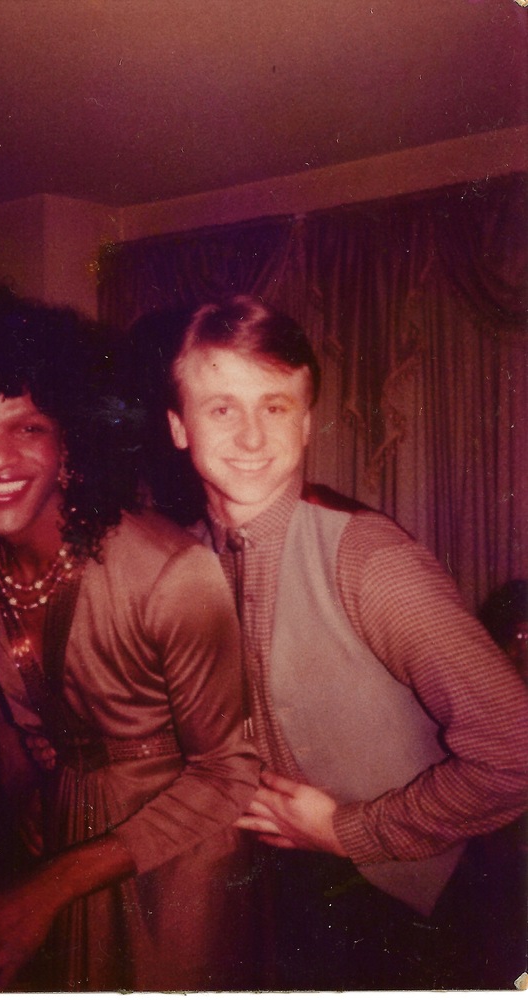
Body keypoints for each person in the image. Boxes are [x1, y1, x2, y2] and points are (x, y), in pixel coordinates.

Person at [0, 281, 259, 991]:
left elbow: (229, 776)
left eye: (28, 427)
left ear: (73, 445)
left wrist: (50, 884)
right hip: (65, 846)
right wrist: (23, 768)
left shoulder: (172, 575)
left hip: (180, 861)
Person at [137, 294, 528, 989]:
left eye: (276, 406)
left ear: (308, 419)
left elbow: (516, 752)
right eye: (222, 407)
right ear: (177, 425)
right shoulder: (184, 563)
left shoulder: (368, 561)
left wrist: (348, 831)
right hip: (281, 901)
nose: (253, 436)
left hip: (423, 914)